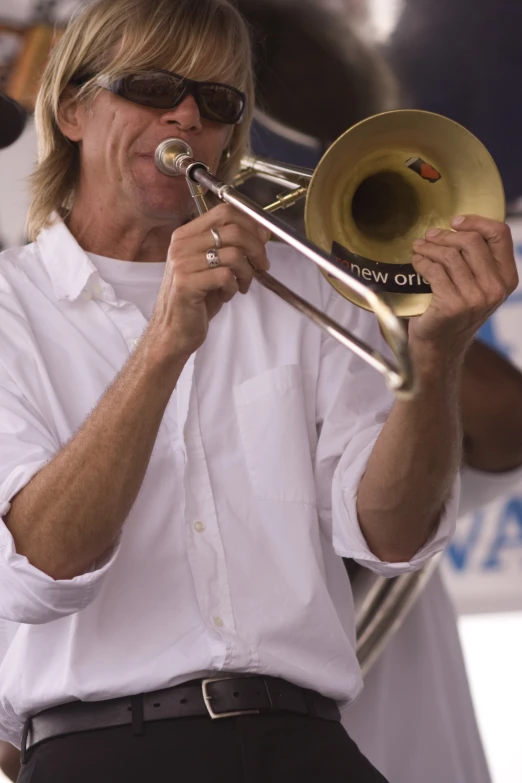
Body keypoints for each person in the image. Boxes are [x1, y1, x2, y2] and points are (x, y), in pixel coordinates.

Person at [0, 1, 517, 782]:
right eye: (151, 86)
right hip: (104, 746)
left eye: (217, 103)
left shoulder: (301, 284)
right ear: (71, 109)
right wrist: (167, 339)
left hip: (305, 737)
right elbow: (46, 560)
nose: (185, 115)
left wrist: (435, 356)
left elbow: (391, 537)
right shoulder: (11, 308)